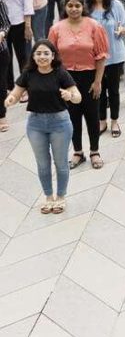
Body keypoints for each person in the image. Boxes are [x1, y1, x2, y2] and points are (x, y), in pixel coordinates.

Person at [4, 39, 81, 213]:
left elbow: (78, 97)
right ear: (33, 56)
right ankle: (48, 197)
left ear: (53, 56)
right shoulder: (28, 74)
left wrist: (69, 95)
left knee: (60, 163)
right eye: (38, 53)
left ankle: (60, 197)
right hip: (36, 124)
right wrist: (10, 100)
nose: (42, 56)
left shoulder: (60, 73)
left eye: (46, 53)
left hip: (60, 123)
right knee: (42, 163)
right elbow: (16, 94)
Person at [48, 0, 108, 170]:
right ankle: (78, 152)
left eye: (77, 5)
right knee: (72, 117)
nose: (74, 9)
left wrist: (97, 82)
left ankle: (95, 151)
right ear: (65, 7)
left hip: (90, 77)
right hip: (66, 80)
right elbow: (52, 58)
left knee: (92, 115)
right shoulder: (56, 29)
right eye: (70, 5)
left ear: (83, 7)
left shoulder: (94, 26)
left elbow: (101, 56)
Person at [86, 0, 125, 138]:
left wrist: (123, 30)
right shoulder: (86, 7)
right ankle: (101, 119)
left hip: (115, 55)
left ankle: (115, 120)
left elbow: (124, 27)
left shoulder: (116, 5)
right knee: (98, 90)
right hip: (94, 58)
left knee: (114, 90)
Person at [0, 0, 34, 88]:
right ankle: (8, 87)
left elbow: (27, 2)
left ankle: (25, 87)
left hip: (19, 23)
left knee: (23, 57)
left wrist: (28, 26)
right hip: (2, 27)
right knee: (5, 58)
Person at [0, 0, 11, 131]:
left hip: (1, 51)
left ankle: (1, 116)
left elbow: (6, 24)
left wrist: (2, 33)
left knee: (1, 84)